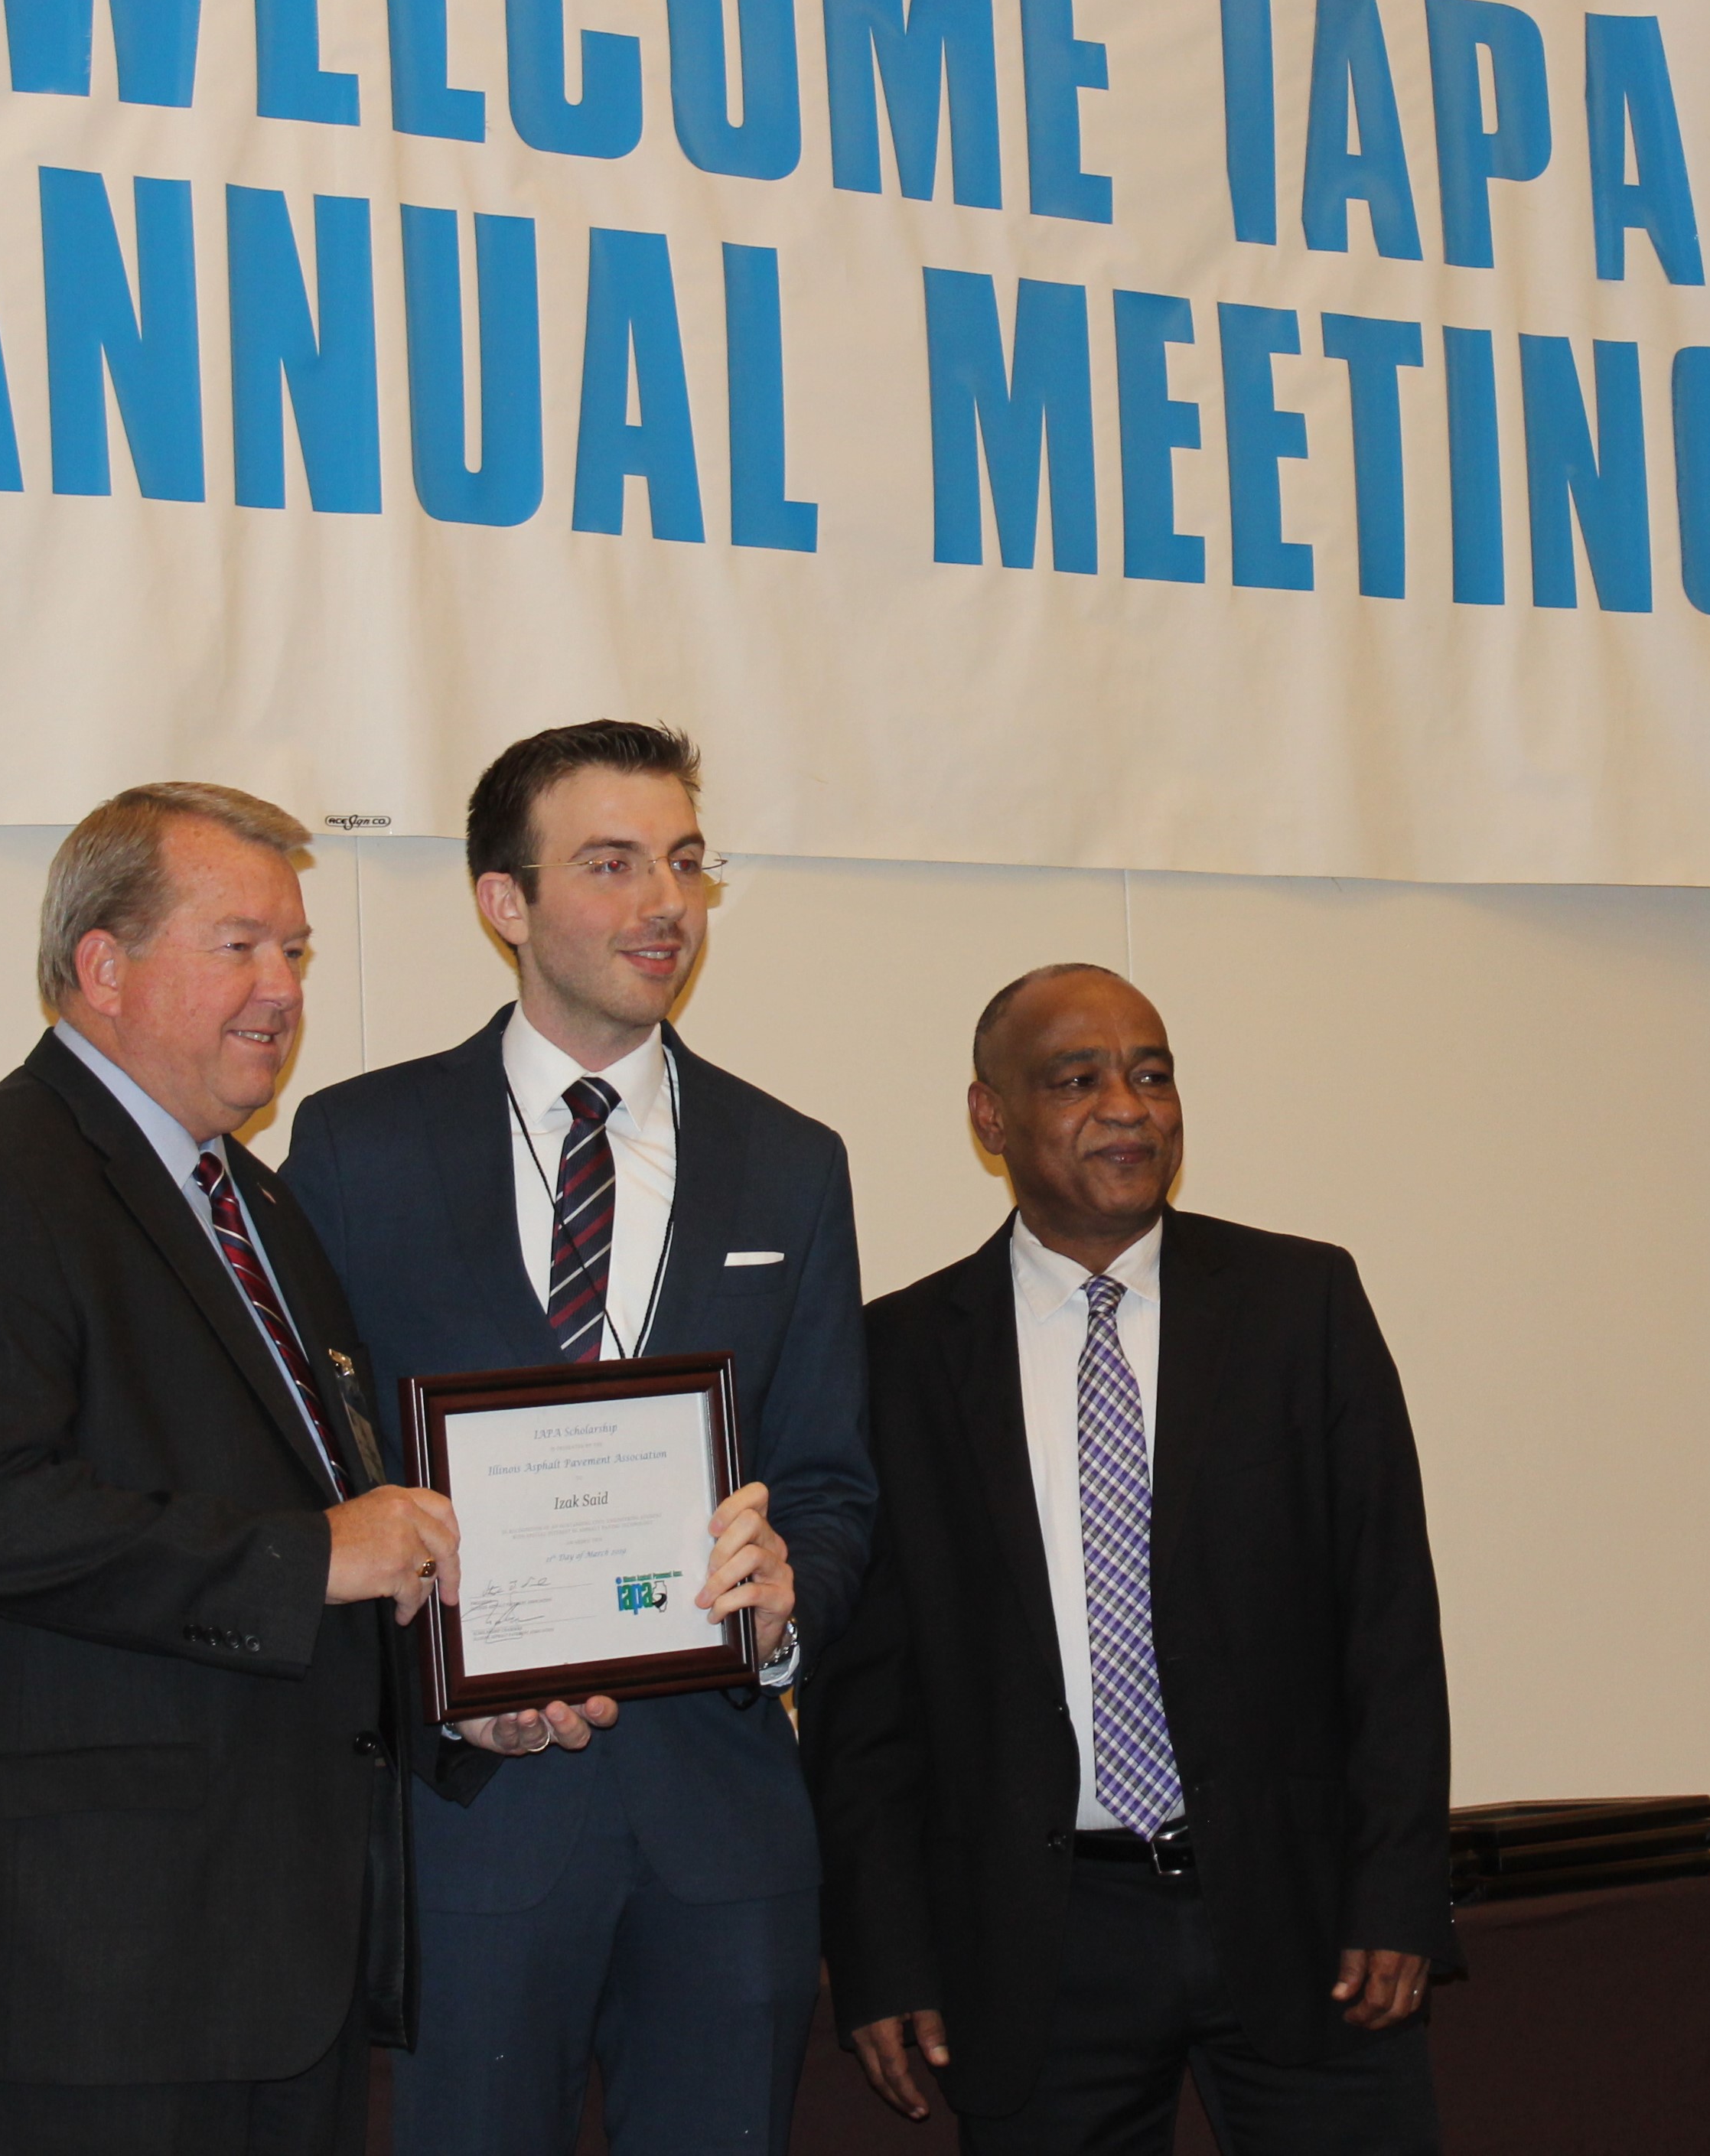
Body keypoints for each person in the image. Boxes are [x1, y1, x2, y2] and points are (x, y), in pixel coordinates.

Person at [0, 782, 490, 2156]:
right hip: (70, 1978)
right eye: (237, 945)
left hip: (270, 1971)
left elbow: (320, 1543)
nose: (279, 990)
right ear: (102, 966)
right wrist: (324, 1555)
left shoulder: (262, 1211)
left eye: (295, 952)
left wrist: (464, 1689)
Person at [282, 719, 878, 2156]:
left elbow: (833, 1481)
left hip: (723, 1827)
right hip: (474, 1819)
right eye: (610, 864)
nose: (663, 902)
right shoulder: (358, 1148)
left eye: (683, 861)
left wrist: (788, 1603)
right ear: (506, 902)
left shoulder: (791, 1162)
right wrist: (435, 1674)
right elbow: (310, 1482)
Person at [803, 962, 1455, 2155]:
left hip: (1303, 1920)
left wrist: (1399, 1891)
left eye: (1151, 1074)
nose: (1128, 1107)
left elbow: (1388, 1622)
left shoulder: (1298, 1304)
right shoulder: (894, 1357)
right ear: (988, 1118)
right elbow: (863, 1702)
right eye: (1077, 1079)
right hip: (1038, 1941)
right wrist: (881, 1952)